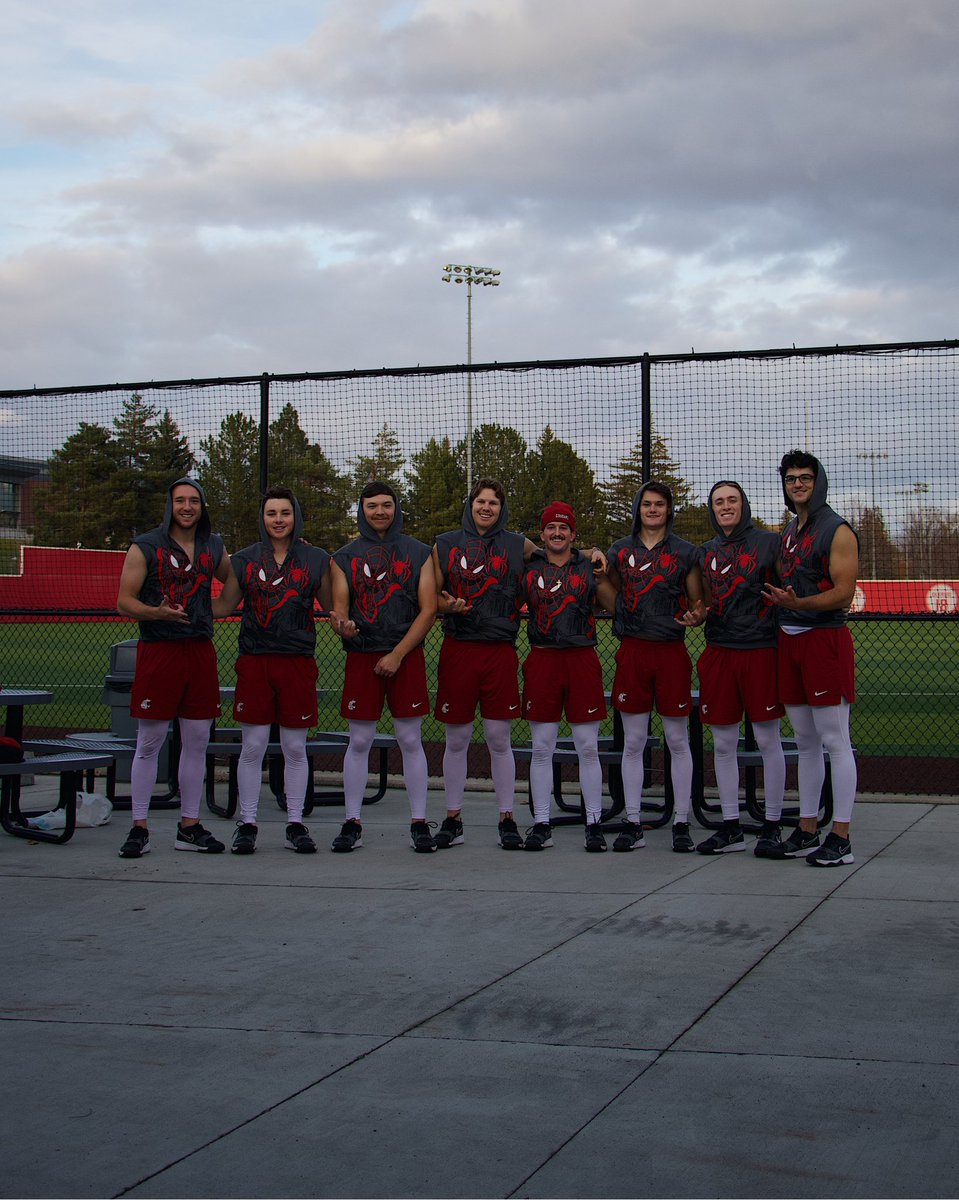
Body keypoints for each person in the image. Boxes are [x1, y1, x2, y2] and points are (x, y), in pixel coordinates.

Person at [116, 477, 231, 858]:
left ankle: (190, 824)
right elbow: (124, 601)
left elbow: (235, 580)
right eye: (180, 501)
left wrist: (216, 609)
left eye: (193, 501)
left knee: (197, 742)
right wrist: (156, 613)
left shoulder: (213, 545)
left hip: (199, 650)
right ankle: (139, 826)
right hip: (159, 649)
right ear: (170, 505)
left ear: (202, 506)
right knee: (149, 741)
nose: (187, 507)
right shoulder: (145, 545)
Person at [212, 485, 331, 855]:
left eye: (285, 513)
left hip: (297, 662)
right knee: (253, 747)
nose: (278, 520)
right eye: (271, 513)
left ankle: (295, 823)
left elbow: (331, 606)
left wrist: (346, 619)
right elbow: (223, 606)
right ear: (262, 519)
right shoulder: (244, 560)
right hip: (255, 660)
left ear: (295, 516)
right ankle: (247, 824)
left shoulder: (316, 558)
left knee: (295, 747)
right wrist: (183, 600)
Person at [328, 481, 438, 853]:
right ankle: (352, 821)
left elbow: (428, 609)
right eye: (372, 505)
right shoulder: (344, 556)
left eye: (386, 505)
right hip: (362, 655)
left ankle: (420, 822)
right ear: (361, 510)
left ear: (396, 508)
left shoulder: (420, 552)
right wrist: (341, 623)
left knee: (410, 739)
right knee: (359, 740)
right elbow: (340, 607)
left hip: (404, 656)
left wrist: (398, 654)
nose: (379, 511)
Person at [762, 451, 860, 866]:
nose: (798, 484)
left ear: (819, 482)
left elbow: (844, 593)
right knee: (805, 742)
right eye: (791, 478)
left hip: (823, 639)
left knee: (836, 741)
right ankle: (806, 827)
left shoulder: (837, 530)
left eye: (805, 477)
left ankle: (841, 836)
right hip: (791, 639)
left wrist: (799, 602)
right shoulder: (788, 530)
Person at [606, 482, 704, 852]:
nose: (652, 510)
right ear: (637, 509)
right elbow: (607, 587)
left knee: (677, 740)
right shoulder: (620, 550)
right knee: (633, 741)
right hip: (633, 651)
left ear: (668, 510)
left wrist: (698, 613)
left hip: (670, 652)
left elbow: (697, 601)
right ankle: (633, 822)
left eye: (659, 504)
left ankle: (681, 821)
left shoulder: (684, 552)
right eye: (646, 504)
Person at [432, 479, 528, 850]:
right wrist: (447, 606)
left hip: (499, 650)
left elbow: (557, 555)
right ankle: (453, 817)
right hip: (459, 648)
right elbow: (429, 598)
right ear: (470, 505)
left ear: (501, 508)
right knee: (456, 739)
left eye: (493, 502)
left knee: (498, 738)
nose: (486, 507)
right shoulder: (445, 543)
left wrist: (591, 554)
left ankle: (507, 817)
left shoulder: (517, 544)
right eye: (480, 501)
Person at [520, 503, 618, 852]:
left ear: (573, 534)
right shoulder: (529, 568)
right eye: (551, 529)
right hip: (543, 659)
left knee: (587, 747)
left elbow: (615, 606)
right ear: (542, 533)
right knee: (542, 747)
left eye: (564, 529)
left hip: (581, 658)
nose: (557, 534)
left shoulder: (589, 567)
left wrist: (601, 562)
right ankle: (541, 823)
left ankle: (593, 823)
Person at [695, 481, 786, 857]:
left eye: (732, 500)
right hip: (719, 652)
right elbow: (701, 601)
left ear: (743, 505)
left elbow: (788, 588)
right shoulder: (706, 552)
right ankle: (731, 826)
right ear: (712, 509)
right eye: (719, 502)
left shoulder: (769, 543)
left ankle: (774, 824)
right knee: (724, 743)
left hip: (761, 650)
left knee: (768, 741)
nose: (726, 506)